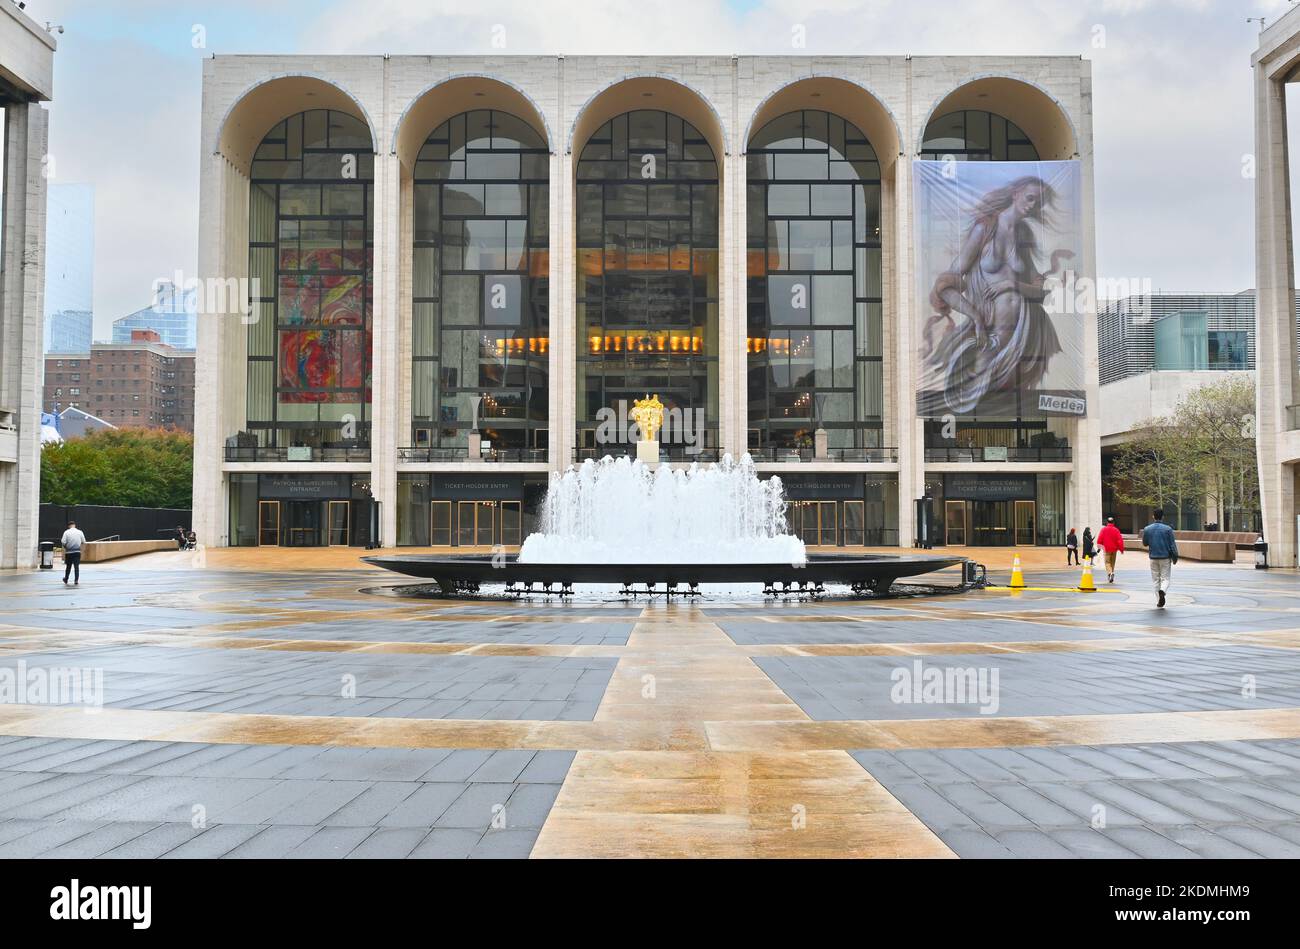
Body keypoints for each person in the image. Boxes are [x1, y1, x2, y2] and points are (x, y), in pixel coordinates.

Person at [1141, 509, 1179, 608]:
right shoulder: (1168, 529)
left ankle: (1159, 600)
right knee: (1165, 578)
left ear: (1153, 516)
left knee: (1155, 580)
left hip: (1153, 557)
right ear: (1163, 517)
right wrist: (1175, 557)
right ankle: (1163, 591)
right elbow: (1172, 545)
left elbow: (1145, 543)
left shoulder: (1147, 529)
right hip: (1165, 557)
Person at [1097, 516, 1125, 583]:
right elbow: (1120, 540)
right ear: (1113, 522)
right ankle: (1111, 573)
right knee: (1112, 563)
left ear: (1107, 522)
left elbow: (1100, 539)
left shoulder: (1103, 529)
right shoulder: (1116, 530)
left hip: (1107, 549)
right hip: (1114, 549)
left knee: (1107, 562)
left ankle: (1110, 573)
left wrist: (1099, 547)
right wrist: (1121, 549)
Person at [60, 520, 86, 585]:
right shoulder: (80, 532)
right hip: (77, 552)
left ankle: (66, 579)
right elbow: (83, 541)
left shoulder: (66, 532)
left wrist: (66, 547)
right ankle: (76, 580)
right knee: (76, 567)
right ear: (75, 525)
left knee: (68, 567)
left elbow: (63, 542)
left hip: (69, 552)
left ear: (69, 526)